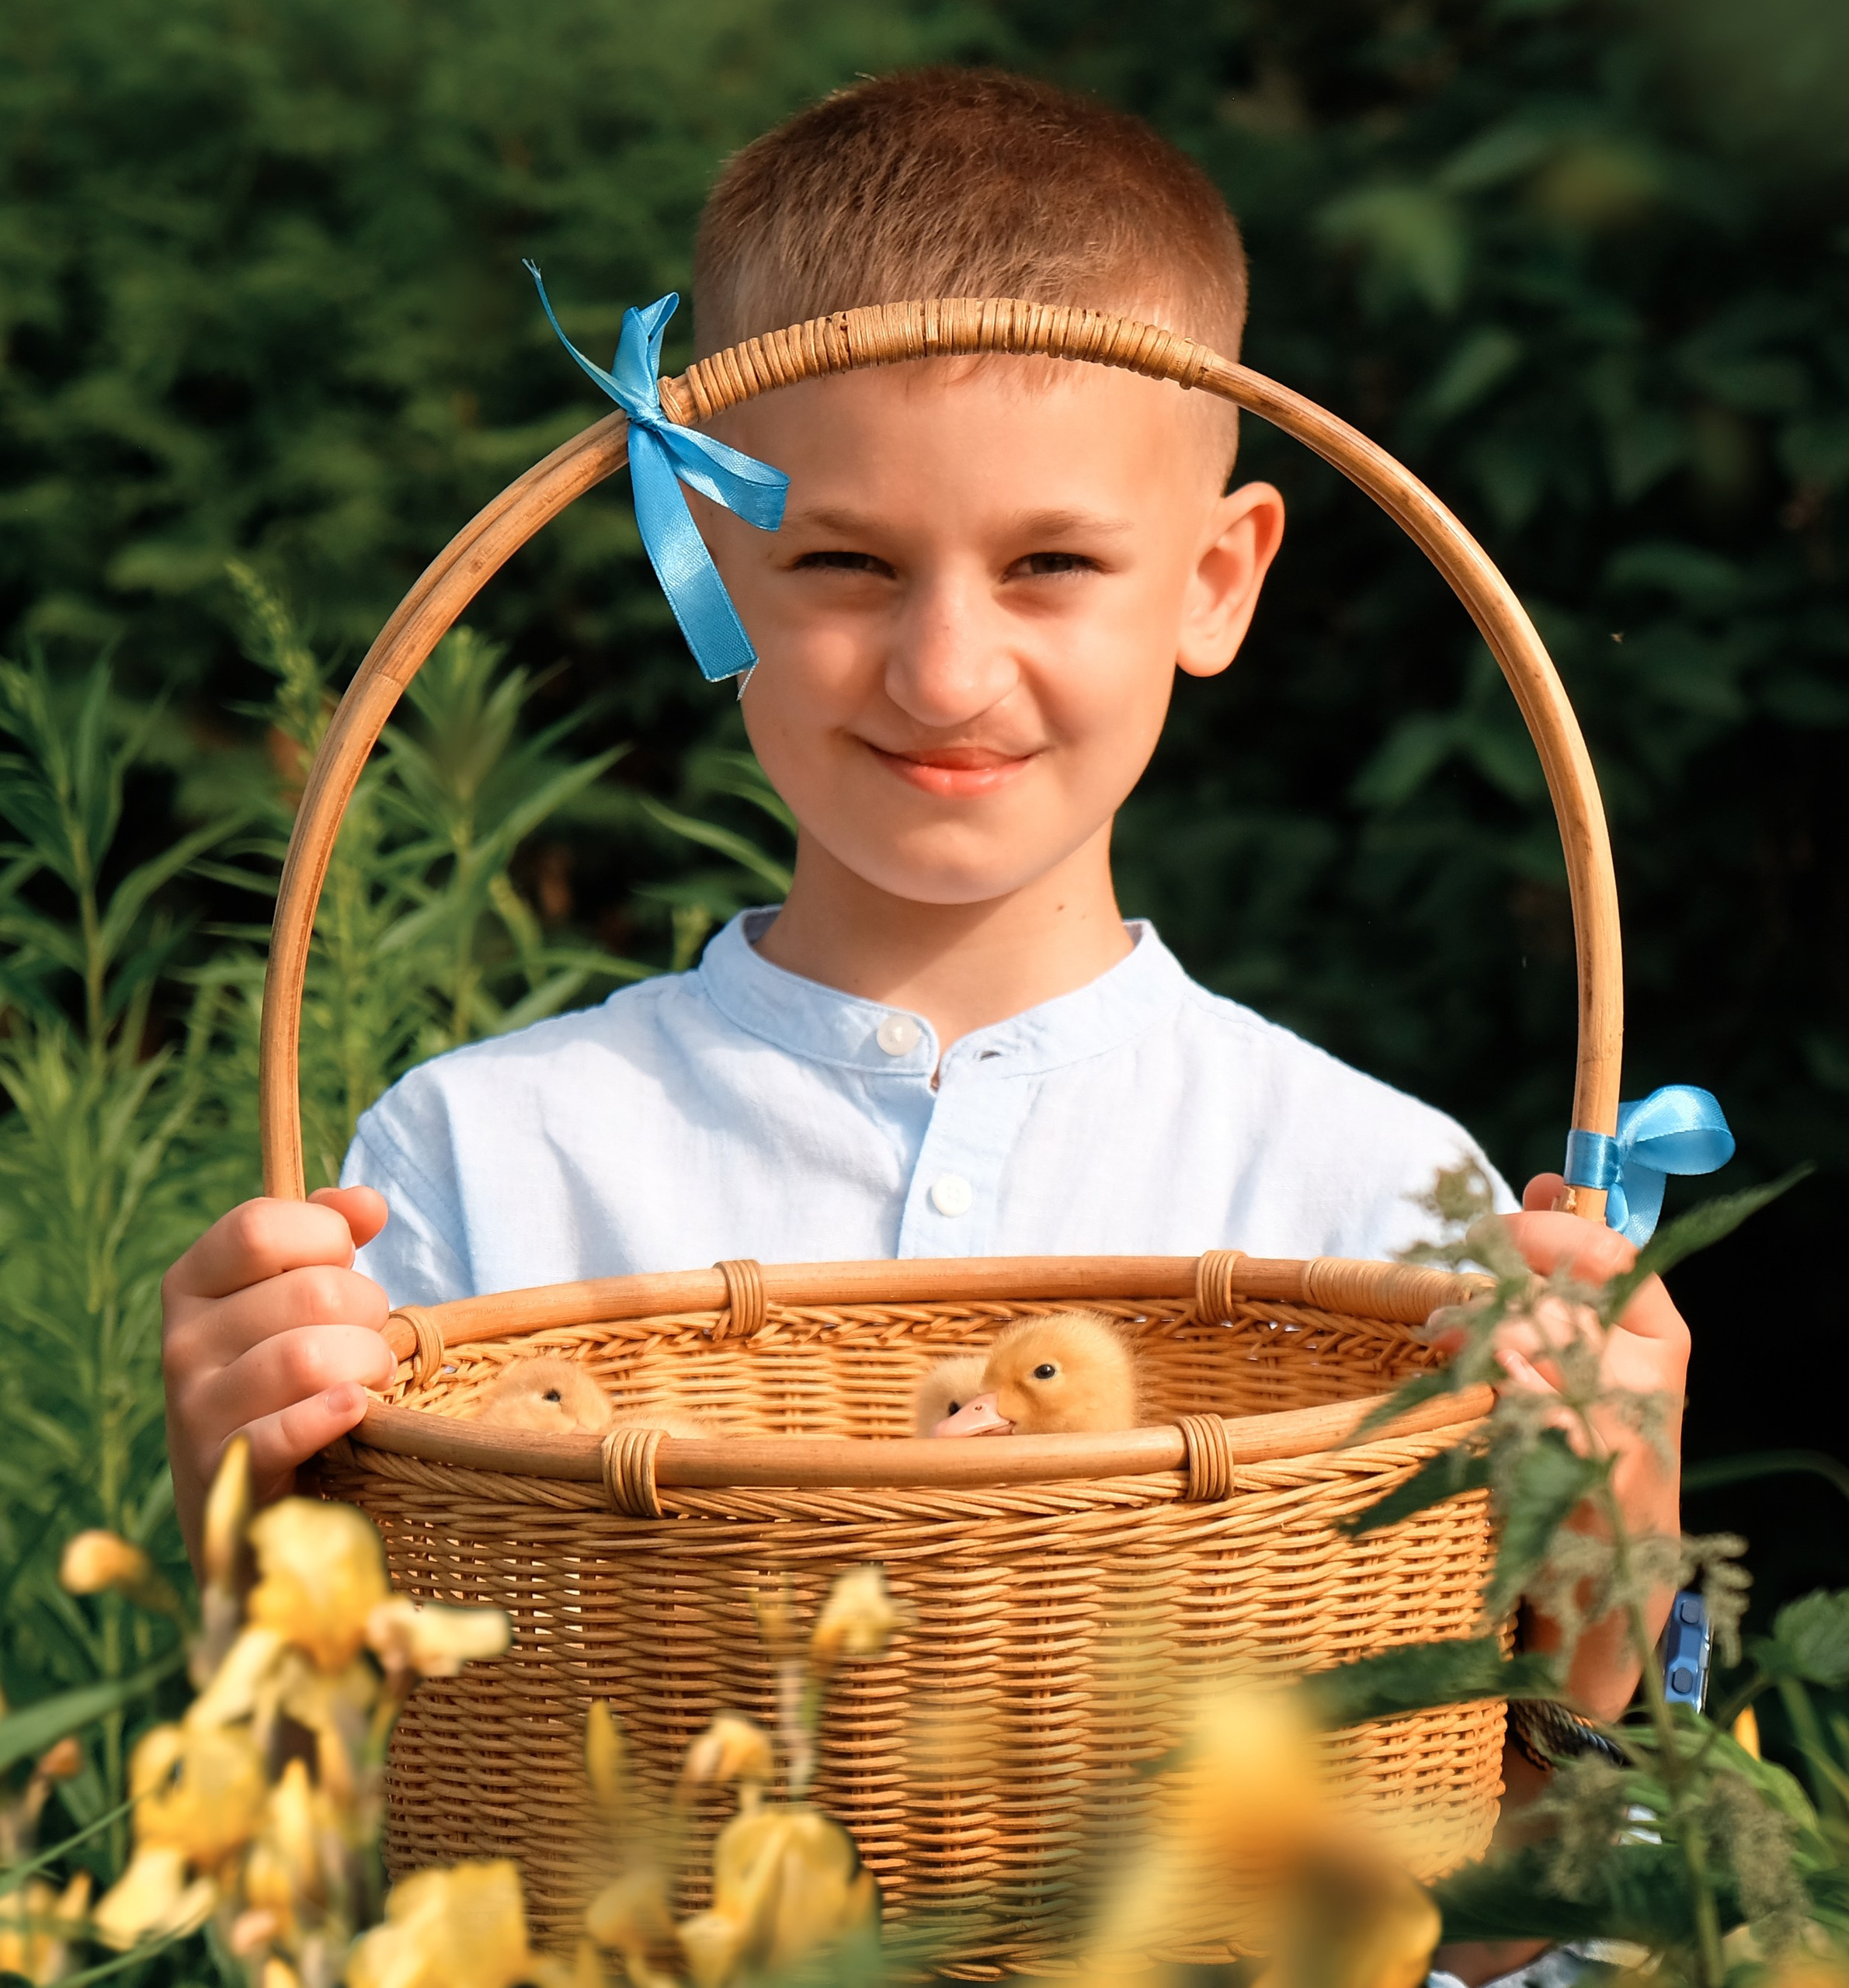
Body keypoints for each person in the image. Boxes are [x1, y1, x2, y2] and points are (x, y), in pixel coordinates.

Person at [162, 71, 1689, 1743]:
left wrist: (1608, 1608)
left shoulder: (1385, 1207)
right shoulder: (473, 1171)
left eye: (1050, 564)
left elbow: (1480, 1917)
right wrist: (248, 1552)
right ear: (709, 563)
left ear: (1214, 578)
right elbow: (348, 1819)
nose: (944, 671)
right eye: (841, 563)